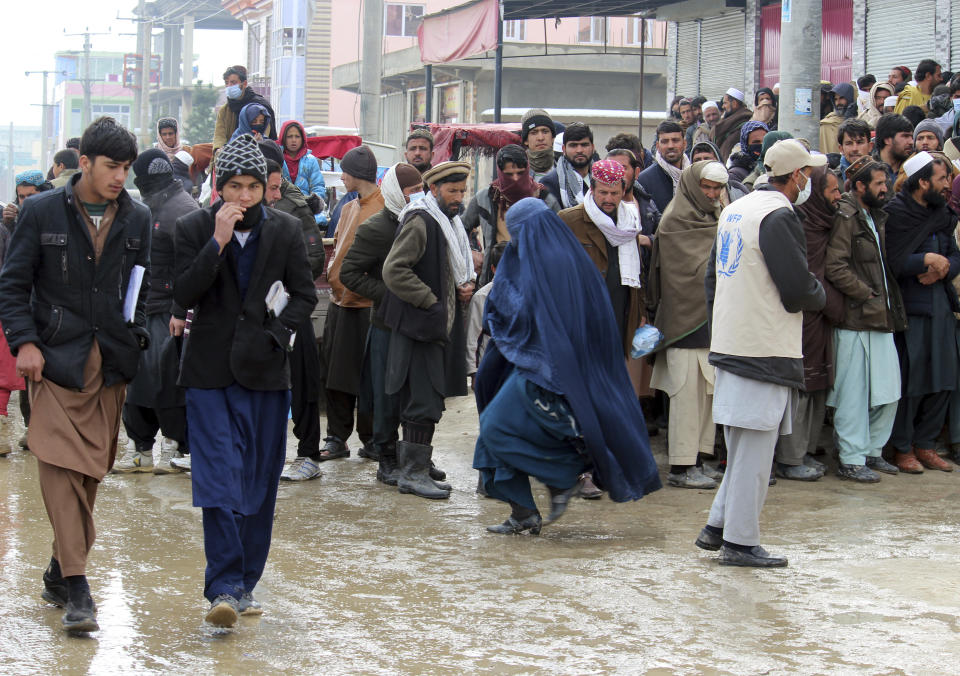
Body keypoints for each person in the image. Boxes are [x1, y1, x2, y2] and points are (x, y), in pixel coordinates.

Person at [0, 116, 149, 632]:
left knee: (89, 475)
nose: (119, 178)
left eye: (127, 168)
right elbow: (13, 285)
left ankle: (57, 569)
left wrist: (140, 339)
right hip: (55, 361)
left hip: (110, 364)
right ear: (83, 162)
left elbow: (142, 289)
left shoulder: (138, 217)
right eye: (112, 167)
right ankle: (80, 588)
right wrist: (25, 343)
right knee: (60, 469)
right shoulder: (41, 211)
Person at [173, 133, 317, 627]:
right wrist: (216, 241)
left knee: (257, 484)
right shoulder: (193, 228)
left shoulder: (285, 230)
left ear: (264, 187)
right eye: (234, 186)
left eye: (253, 186)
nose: (244, 197)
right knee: (218, 480)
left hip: (265, 375)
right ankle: (223, 586)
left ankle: (245, 583)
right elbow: (184, 293)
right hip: (208, 373)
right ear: (219, 186)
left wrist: (276, 335)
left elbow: (303, 295)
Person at [473, 198, 661, 534]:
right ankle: (522, 511)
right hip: (520, 358)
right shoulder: (535, 255)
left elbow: (544, 317)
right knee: (493, 436)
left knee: (496, 429)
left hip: (546, 369)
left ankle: (561, 478)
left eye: (518, 233)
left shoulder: (557, 261)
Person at [695, 139, 826, 567]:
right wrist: (818, 294)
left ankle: (718, 527)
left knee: (743, 446)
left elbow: (712, 281)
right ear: (798, 177)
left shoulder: (736, 208)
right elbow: (796, 288)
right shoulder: (778, 214)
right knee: (755, 451)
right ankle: (740, 541)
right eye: (809, 173)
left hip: (733, 342)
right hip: (762, 347)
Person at [380, 161, 476, 500]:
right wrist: (431, 301)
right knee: (422, 400)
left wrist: (458, 289)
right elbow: (394, 271)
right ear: (433, 190)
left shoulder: (447, 222)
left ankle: (417, 466)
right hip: (420, 325)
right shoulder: (421, 220)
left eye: (462, 191)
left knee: (426, 399)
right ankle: (412, 473)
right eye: (452, 191)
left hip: (433, 325)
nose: (458, 197)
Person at [114, 149, 198, 474]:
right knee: (136, 379)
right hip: (143, 308)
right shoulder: (148, 207)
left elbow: (193, 268)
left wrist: (182, 308)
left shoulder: (182, 210)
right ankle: (141, 448)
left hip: (171, 311)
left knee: (167, 380)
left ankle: (177, 447)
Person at [339, 163, 424, 486]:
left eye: (420, 189)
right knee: (386, 395)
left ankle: (414, 456)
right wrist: (389, 295)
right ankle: (386, 457)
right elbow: (349, 273)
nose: (418, 196)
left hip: (418, 322)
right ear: (394, 193)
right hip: (388, 324)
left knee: (416, 393)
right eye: (411, 191)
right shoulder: (377, 228)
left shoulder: (425, 222)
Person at [647, 161, 730, 489]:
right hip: (683, 324)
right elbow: (688, 274)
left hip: (708, 323)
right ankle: (681, 468)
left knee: (706, 398)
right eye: (706, 187)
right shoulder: (676, 220)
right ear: (693, 185)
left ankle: (696, 459)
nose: (711, 194)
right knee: (686, 399)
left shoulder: (712, 217)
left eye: (716, 188)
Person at [824, 156, 906, 482]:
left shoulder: (873, 215)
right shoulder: (846, 216)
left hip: (879, 317)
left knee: (889, 392)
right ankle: (851, 458)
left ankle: (872, 452)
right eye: (879, 184)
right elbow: (835, 266)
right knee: (852, 396)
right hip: (855, 318)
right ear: (860, 186)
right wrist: (865, 294)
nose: (885, 189)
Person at [883, 152, 959, 474]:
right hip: (911, 310)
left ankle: (925, 445)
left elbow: (955, 256)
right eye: (941, 179)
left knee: (944, 380)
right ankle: (902, 448)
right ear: (922, 182)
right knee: (912, 383)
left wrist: (942, 269)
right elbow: (892, 262)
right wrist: (925, 259)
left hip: (940, 305)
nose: (947, 186)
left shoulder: (942, 215)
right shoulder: (896, 215)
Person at [772, 166, 844, 481]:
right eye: (833, 191)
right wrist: (834, 305)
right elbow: (807, 275)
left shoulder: (827, 224)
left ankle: (804, 452)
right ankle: (790, 458)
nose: (839, 196)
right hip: (803, 316)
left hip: (820, 318)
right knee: (798, 388)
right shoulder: (801, 224)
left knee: (817, 385)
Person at [315, 145, 382, 466]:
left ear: (356, 174)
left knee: (369, 377)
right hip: (339, 302)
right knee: (335, 374)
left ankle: (372, 439)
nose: (341, 177)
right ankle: (337, 438)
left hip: (367, 304)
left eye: (344, 171)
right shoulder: (348, 207)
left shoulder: (383, 208)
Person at [261, 148, 326, 477]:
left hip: (291, 309)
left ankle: (308, 453)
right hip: (257, 321)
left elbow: (315, 259)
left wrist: (284, 286)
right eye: (271, 186)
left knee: (302, 379)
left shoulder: (293, 210)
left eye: (277, 185)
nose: (276, 193)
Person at [463, 144, 560, 286]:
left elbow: (559, 239)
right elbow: (460, 228)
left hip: (537, 280)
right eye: (509, 175)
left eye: (520, 173)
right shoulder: (486, 198)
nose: (515, 179)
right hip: (495, 278)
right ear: (500, 172)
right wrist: (471, 252)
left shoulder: (544, 200)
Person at [212, 65, 277, 156]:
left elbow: (265, 131)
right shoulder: (225, 110)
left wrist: (259, 142)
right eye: (227, 83)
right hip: (229, 154)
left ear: (244, 84)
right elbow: (219, 135)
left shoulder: (259, 106)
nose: (229, 86)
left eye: (233, 82)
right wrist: (219, 150)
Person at [466, 241, 506, 385]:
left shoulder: (526, 292)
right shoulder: (482, 297)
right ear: (493, 269)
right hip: (489, 367)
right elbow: (473, 337)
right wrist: (474, 371)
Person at [637, 120, 690, 213]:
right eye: (665, 142)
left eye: (675, 140)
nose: (670, 146)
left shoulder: (695, 176)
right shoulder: (644, 180)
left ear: (684, 144)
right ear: (657, 146)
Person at [541, 122, 594, 209]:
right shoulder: (549, 183)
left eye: (584, 145)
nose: (579, 150)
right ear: (564, 149)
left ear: (593, 147)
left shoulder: (601, 178)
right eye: (573, 145)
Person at [278, 120, 326, 202]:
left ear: (303, 138)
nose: (294, 140)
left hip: (305, 207)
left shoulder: (311, 161)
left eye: (297, 136)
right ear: (283, 138)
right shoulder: (277, 158)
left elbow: (318, 186)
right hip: (281, 206)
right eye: (289, 136)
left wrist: (312, 203)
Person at [711, 87, 752, 161]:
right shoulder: (728, 121)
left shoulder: (744, 123)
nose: (723, 106)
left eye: (725, 103)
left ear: (734, 103)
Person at [874, 114, 915, 182]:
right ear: (887, 139)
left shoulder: (914, 169)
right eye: (905, 136)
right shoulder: (869, 172)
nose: (911, 142)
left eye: (912, 137)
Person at [820, 83, 856, 155]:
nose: (838, 103)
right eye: (836, 99)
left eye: (842, 98)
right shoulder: (826, 124)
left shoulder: (862, 118)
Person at [520, 108, 557, 179]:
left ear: (553, 137)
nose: (540, 138)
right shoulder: (515, 172)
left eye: (545, 132)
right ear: (526, 140)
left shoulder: (566, 170)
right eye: (534, 133)